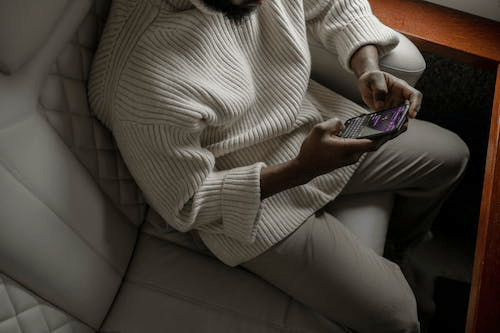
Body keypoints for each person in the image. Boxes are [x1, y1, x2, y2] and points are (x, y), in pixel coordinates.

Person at [88, 0, 469, 331]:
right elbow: (189, 202)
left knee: (451, 156)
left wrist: (366, 66)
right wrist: (303, 168)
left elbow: (331, 5)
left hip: (307, 121)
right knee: (399, 317)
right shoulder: (140, 76)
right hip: (246, 200)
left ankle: (397, 249)